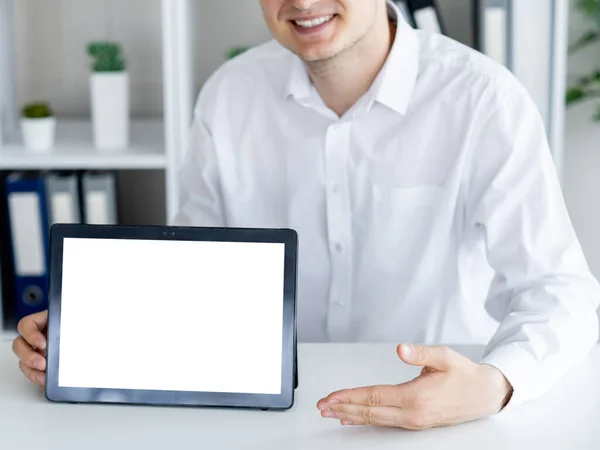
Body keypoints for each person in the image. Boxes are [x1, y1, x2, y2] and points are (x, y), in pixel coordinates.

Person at [12, 0, 600, 430]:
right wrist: (84, 332)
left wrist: (495, 386)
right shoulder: (228, 96)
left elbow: (561, 293)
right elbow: (190, 277)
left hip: (434, 418)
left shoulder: (482, 100)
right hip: (266, 419)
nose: (302, 2)